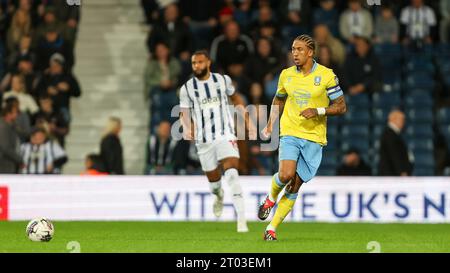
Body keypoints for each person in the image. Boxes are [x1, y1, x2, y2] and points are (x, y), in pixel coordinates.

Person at [258, 35, 347, 241]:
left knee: (295, 185)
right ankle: (271, 199)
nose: (295, 53)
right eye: (293, 49)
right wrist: (271, 124)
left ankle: (271, 228)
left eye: (299, 49)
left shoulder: (326, 76)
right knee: (286, 174)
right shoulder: (286, 75)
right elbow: (278, 99)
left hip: (314, 137)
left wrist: (318, 111)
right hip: (290, 132)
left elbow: (341, 106)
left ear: (310, 52)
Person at [179, 50, 252, 232]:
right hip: (204, 141)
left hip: (225, 134)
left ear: (208, 62)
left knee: (232, 175)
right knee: (214, 183)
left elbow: (235, 98)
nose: (197, 66)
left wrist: (247, 120)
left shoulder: (222, 80)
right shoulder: (187, 88)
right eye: (194, 63)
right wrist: (187, 127)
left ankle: (241, 221)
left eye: (200, 62)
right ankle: (218, 196)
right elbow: (184, 112)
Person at [378, 110, 413, 176]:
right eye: (401, 119)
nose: (403, 122)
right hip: (392, 176)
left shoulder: (392, 134)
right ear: (393, 119)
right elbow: (394, 154)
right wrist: (401, 171)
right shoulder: (390, 135)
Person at [0, 102, 22, 173]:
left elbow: (25, 133)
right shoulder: (2, 126)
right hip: (4, 164)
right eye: (15, 112)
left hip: (9, 163)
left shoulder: (11, 126)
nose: (17, 115)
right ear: (8, 114)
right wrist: (20, 159)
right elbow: (5, 148)